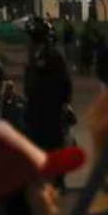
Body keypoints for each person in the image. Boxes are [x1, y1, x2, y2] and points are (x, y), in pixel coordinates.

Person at [22, 15, 74, 153]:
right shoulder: (34, 55)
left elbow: (64, 84)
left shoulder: (52, 55)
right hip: (35, 108)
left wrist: (61, 103)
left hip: (50, 110)